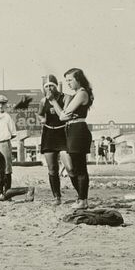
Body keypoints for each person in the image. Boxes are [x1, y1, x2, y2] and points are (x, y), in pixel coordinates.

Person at [45, 68, 94, 209]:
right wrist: (64, 113)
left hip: (78, 130)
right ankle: (81, 199)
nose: (68, 83)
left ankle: (83, 200)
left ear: (79, 79)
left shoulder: (82, 93)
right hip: (72, 130)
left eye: (70, 80)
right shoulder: (77, 94)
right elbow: (64, 116)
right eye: (66, 80)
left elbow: (62, 116)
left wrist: (54, 102)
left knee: (80, 168)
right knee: (77, 168)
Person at [38, 74, 68, 205]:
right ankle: (57, 196)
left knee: (70, 167)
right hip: (49, 133)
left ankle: (81, 196)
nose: (49, 88)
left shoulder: (65, 97)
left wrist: (53, 101)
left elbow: (64, 114)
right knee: (52, 168)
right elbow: (39, 114)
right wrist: (42, 119)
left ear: (56, 86)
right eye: (47, 86)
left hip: (63, 132)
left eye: (51, 85)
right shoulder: (43, 101)